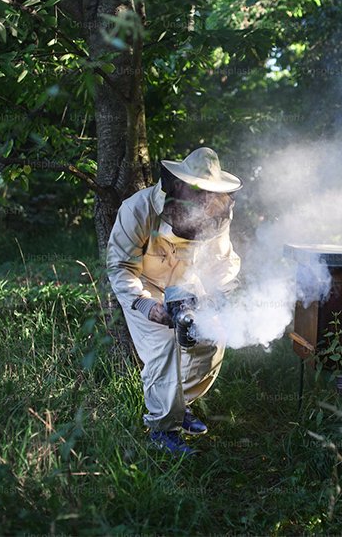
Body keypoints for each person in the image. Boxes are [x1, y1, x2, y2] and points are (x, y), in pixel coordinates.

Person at [106, 147, 242, 455]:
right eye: (197, 189)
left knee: (210, 339)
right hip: (144, 284)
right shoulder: (137, 209)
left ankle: (181, 407)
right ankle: (161, 429)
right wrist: (146, 305)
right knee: (164, 347)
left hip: (187, 284)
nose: (204, 197)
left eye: (210, 191)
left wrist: (217, 297)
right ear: (178, 183)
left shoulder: (217, 212)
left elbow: (222, 262)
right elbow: (120, 266)